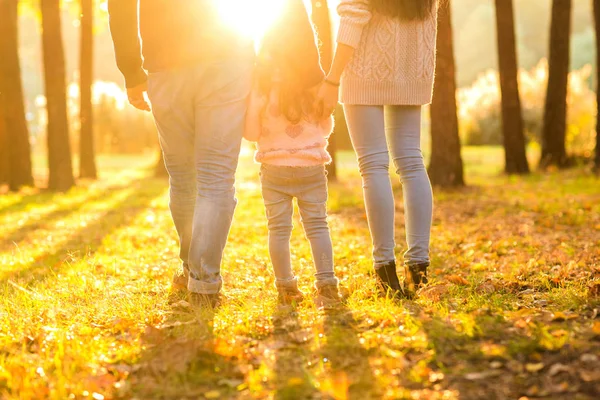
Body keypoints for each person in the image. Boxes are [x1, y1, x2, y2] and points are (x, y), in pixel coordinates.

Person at [107, 0, 324, 307]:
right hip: (228, 58)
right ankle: (203, 280)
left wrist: (131, 70)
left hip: (166, 63)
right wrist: (307, 70)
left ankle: (190, 269)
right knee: (216, 176)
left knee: (183, 177)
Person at [315, 0, 437, 298]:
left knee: (373, 166)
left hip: (365, 68)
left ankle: (385, 270)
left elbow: (353, 15)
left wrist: (332, 78)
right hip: (413, 70)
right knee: (411, 162)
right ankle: (418, 269)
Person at [244, 6, 341, 309]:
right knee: (317, 226)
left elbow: (249, 131)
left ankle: (286, 286)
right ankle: (326, 284)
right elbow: (326, 125)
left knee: (278, 230)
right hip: (311, 168)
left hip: (274, 169)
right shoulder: (315, 85)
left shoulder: (260, 85)